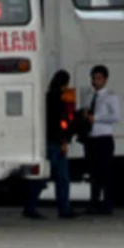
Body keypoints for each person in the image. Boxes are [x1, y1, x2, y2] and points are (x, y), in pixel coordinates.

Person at [24, 70, 76, 220]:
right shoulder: (59, 100)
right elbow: (59, 124)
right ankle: (63, 208)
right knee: (62, 178)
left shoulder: (46, 98)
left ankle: (30, 206)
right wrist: (63, 141)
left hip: (46, 141)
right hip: (56, 143)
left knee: (42, 177)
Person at [83, 64, 121, 215]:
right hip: (91, 138)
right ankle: (94, 202)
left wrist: (96, 118)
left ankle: (108, 204)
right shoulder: (89, 96)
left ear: (105, 80)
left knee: (106, 173)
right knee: (94, 173)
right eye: (93, 78)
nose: (95, 81)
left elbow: (116, 116)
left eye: (98, 78)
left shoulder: (110, 97)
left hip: (104, 138)